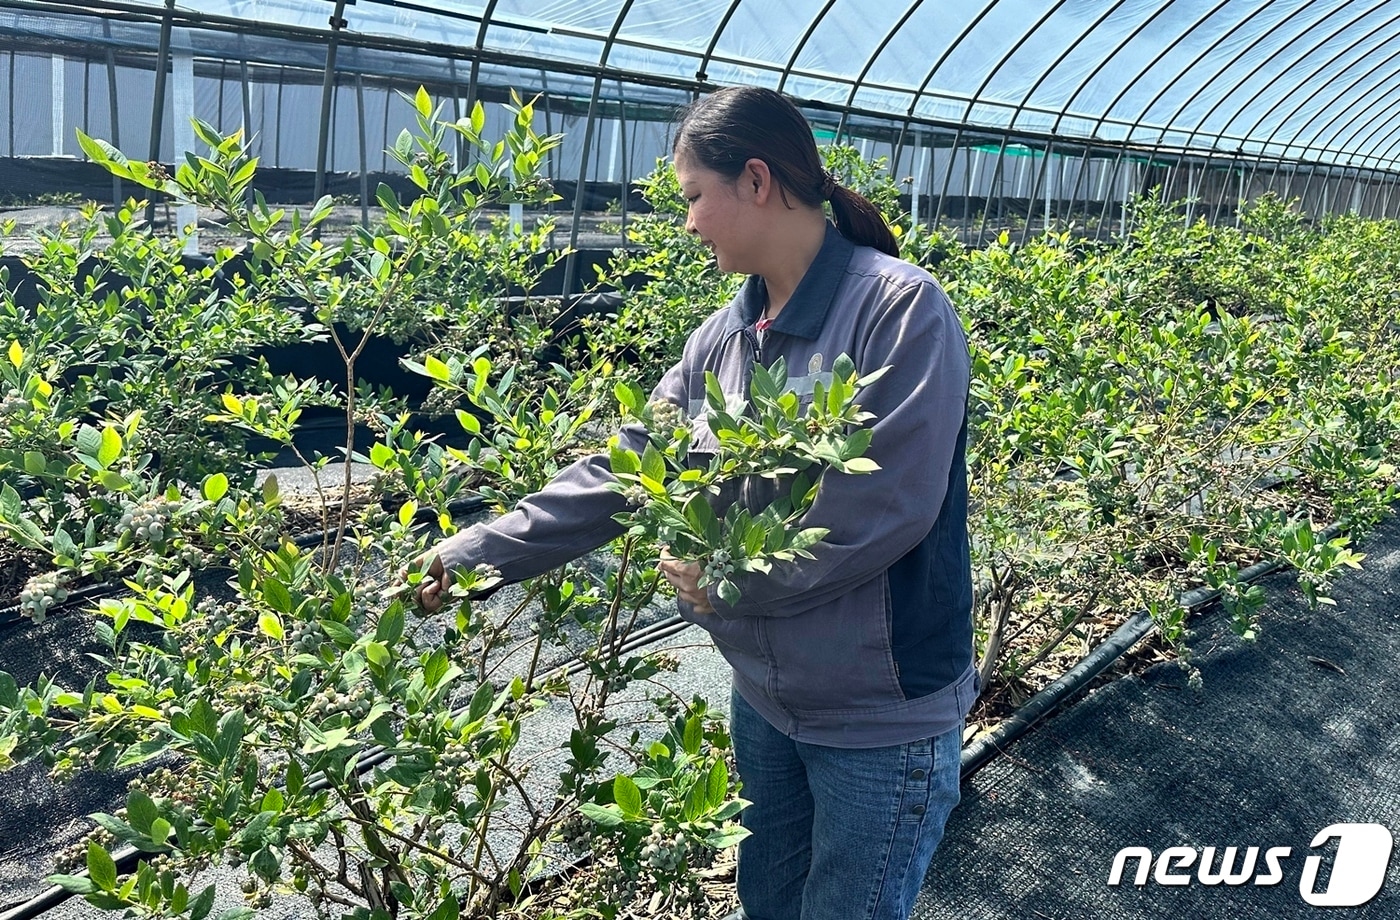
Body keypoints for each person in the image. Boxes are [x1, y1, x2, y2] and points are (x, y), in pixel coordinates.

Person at [412, 85, 975, 920]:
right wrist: (478, 554)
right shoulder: (721, 338)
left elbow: (887, 506)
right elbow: (632, 466)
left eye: (693, 198)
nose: (688, 223)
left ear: (756, 181)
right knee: (768, 902)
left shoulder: (897, 309)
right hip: (767, 697)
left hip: (878, 714)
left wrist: (730, 579)